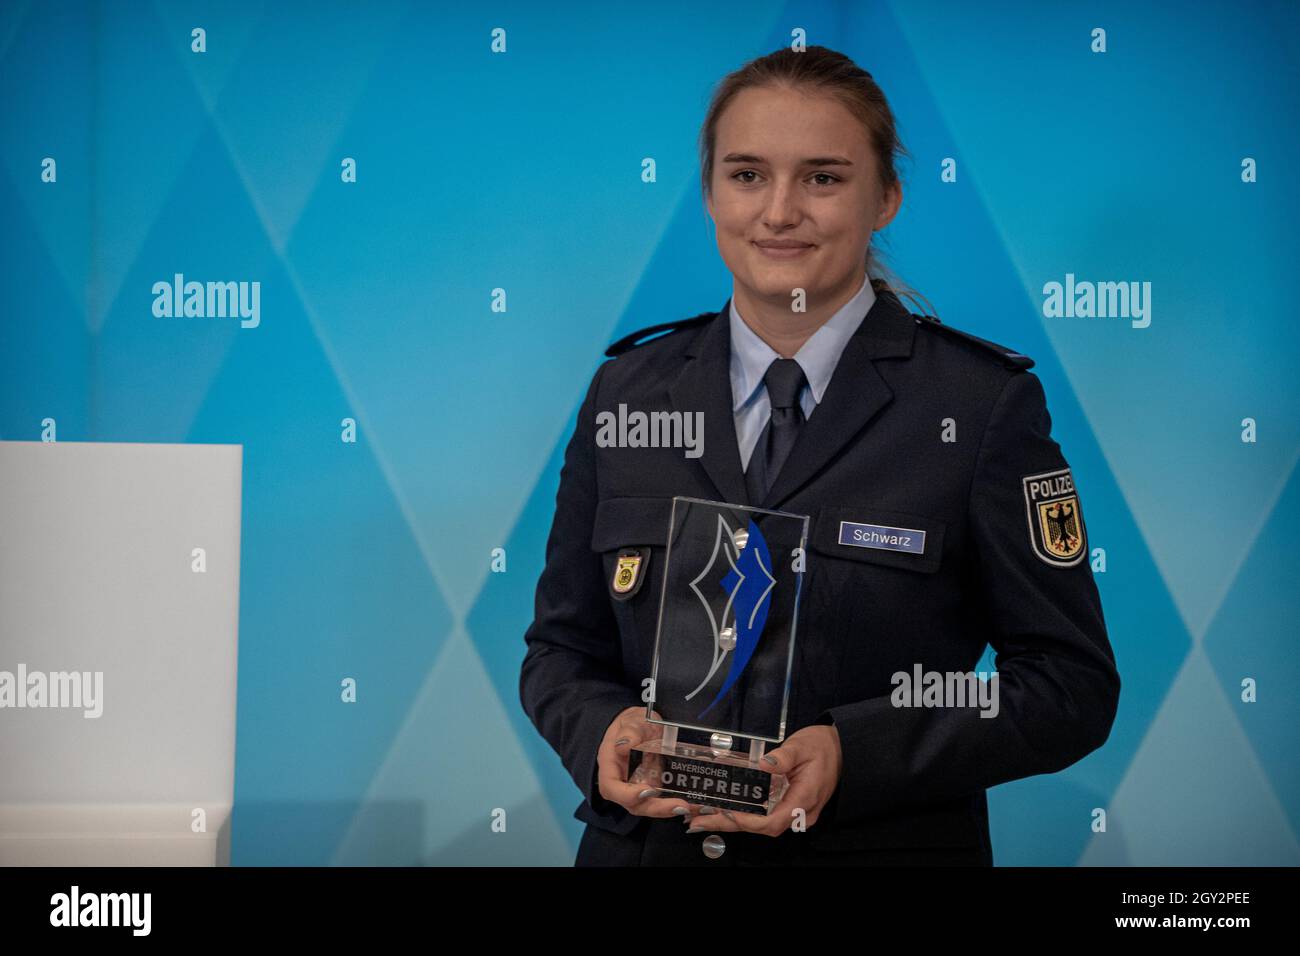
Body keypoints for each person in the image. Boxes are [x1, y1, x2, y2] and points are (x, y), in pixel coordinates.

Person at [519, 45, 1120, 866]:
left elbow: (1069, 687)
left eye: (824, 178)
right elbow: (561, 650)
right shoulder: (626, 395)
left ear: (887, 199)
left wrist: (857, 753)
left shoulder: (980, 407)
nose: (779, 211)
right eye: (747, 175)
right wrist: (600, 729)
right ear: (709, 193)